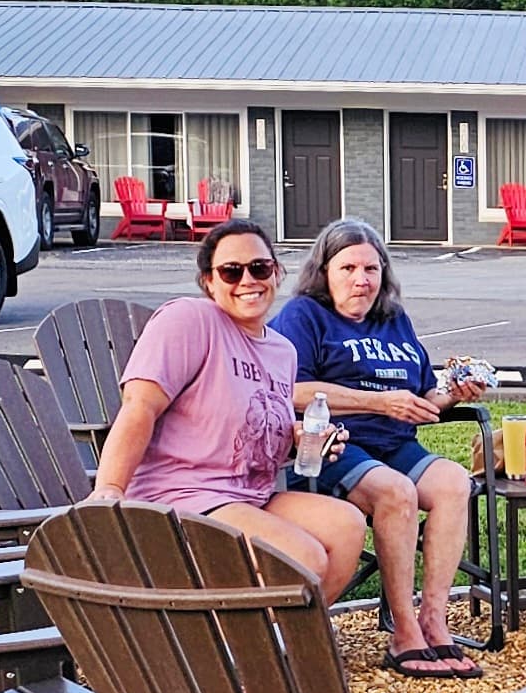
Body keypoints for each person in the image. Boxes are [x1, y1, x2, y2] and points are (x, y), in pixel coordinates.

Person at [88, 217, 366, 599]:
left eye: (259, 268)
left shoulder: (281, 351)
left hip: (249, 495)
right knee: (303, 557)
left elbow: (256, 433)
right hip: (180, 496)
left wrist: (299, 440)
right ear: (209, 282)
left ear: (277, 271)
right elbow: (139, 406)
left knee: (347, 525)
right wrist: (109, 489)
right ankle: (256, 649)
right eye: (231, 272)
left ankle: (283, 642)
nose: (247, 280)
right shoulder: (190, 320)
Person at [267, 219, 482, 678]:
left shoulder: (393, 320)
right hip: (332, 444)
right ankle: (404, 632)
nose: (361, 279)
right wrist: (377, 402)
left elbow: (423, 397)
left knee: (452, 482)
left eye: (371, 268)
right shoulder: (304, 316)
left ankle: (434, 619)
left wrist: (454, 393)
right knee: (396, 492)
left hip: (394, 442)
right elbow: (291, 389)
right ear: (323, 271)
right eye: (348, 268)